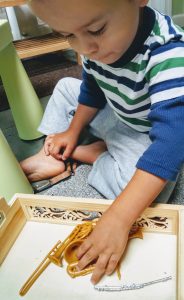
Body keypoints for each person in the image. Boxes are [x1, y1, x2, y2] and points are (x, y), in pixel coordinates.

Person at [22, 0, 184, 284]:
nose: (85, 48)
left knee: (147, 195)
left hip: (147, 131)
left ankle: (85, 155)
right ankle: (54, 151)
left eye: (96, 30)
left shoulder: (168, 54)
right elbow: (92, 90)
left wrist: (120, 217)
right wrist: (72, 131)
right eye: (68, 35)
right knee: (63, 88)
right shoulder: (97, 45)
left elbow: (171, 143)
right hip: (118, 111)